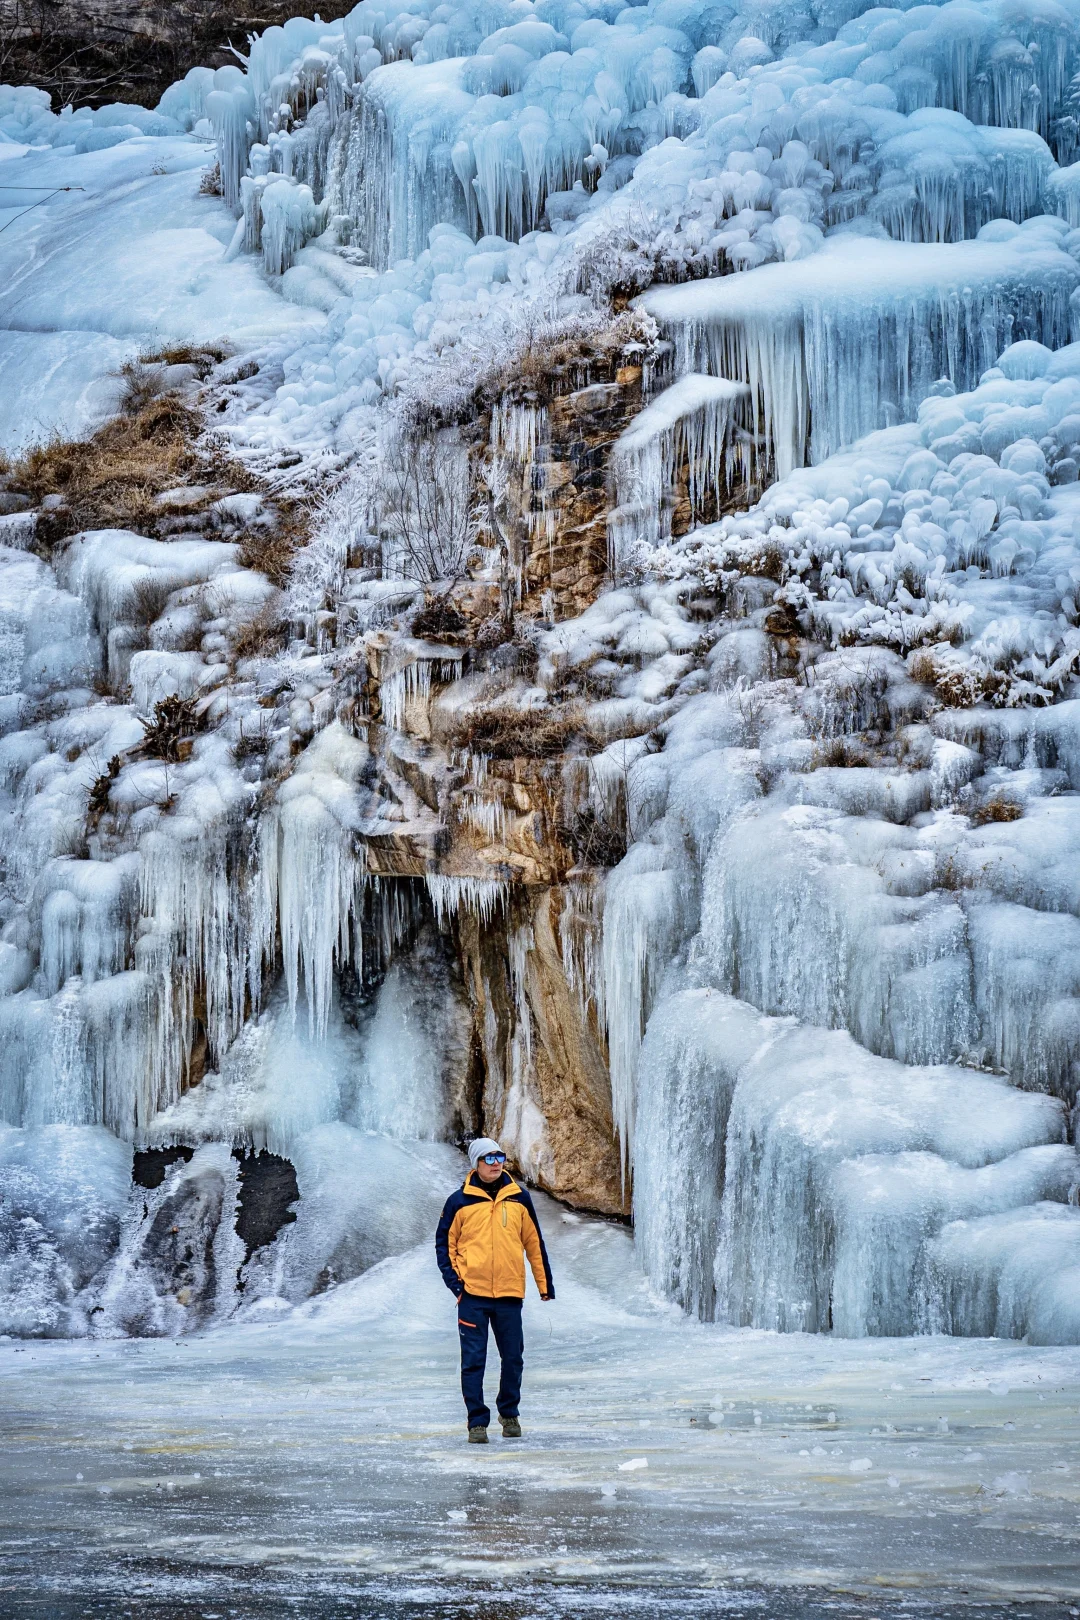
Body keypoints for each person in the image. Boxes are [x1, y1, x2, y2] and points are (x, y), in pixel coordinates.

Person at [435, 1136, 554, 1443]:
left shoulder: (519, 1198)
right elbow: (444, 1247)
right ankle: (477, 1421)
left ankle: (509, 1412)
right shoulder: (459, 1201)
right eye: (488, 1158)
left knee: (513, 1358)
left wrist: (544, 1284)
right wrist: (456, 1286)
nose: (496, 1163)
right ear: (476, 1163)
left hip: (509, 1295)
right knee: (474, 1360)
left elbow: (534, 1243)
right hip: (472, 1296)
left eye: (499, 1157)